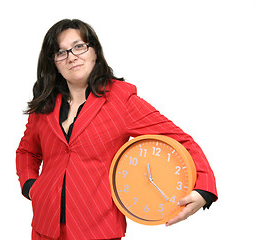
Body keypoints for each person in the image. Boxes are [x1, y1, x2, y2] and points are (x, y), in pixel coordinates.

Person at [16, 19, 218, 240]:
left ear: (95, 51)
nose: (71, 56)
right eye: (60, 52)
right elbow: (27, 151)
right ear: (53, 62)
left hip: (98, 229)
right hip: (45, 227)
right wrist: (30, 186)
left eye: (79, 46)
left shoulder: (121, 99)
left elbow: (179, 140)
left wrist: (204, 188)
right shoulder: (44, 105)